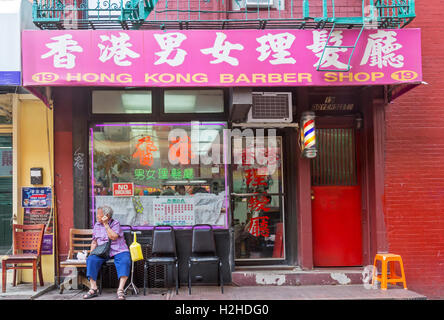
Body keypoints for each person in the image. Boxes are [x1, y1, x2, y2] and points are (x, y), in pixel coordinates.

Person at [83, 206, 131, 300]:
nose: (96, 216)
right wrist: (91, 253)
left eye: (99, 214)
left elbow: (113, 237)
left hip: (118, 249)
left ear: (107, 216)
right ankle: (93, 288)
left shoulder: (115, 223)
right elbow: (94, 242)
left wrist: (106, 225)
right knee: (91, 260)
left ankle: (120, 289)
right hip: (102, 250)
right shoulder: (96, 225)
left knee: (125, 260)